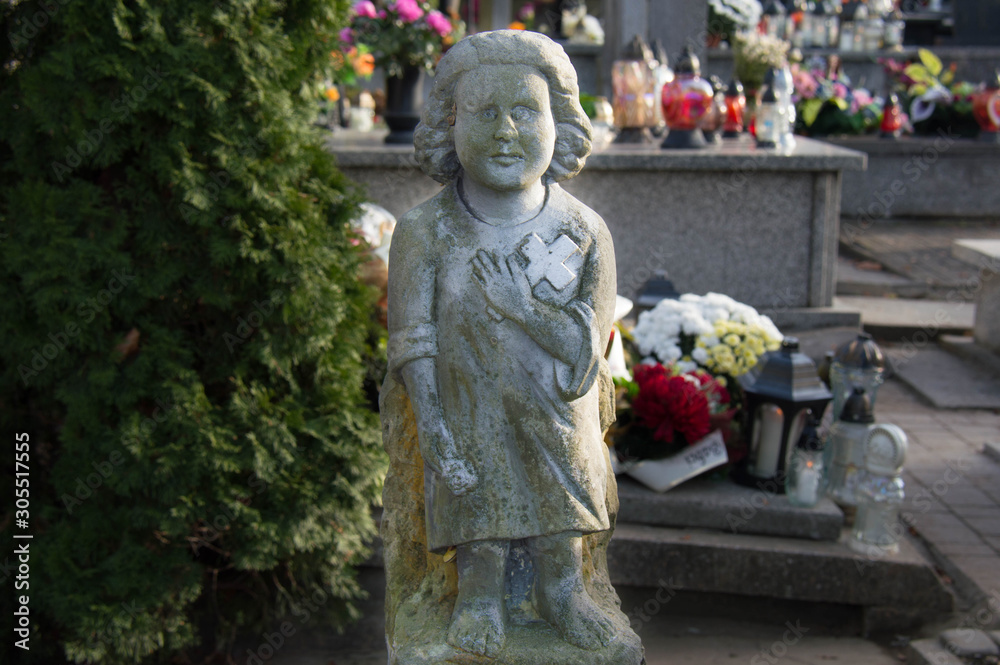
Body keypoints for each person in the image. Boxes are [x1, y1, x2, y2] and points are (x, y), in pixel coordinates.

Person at [382, 30, 619, 658]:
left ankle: (562, 587)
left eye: (525, 112)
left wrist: (523, 309)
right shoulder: (425, 231)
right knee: (476, 460)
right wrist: (433, 427)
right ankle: (479, 593)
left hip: (554, 411)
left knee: (567, 459)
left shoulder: (583, 231)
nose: (505, 131)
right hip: (464, 403)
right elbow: (411, 342)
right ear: (450, 126)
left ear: (559, 123)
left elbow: (585, 348)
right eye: (485, 113)